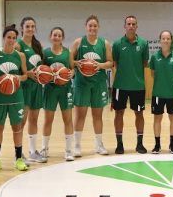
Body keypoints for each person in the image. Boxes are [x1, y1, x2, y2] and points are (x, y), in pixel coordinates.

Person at [0, 25, 30, 172]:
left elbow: (25, 75)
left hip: (16, 97)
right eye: (8, 37)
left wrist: (16, 78)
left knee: (17, 128)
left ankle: (18, 159)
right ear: (4, 38)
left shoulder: (20, 56)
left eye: (13, 38)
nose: (11, 40)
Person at [71, 15, 113, 156]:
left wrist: (99, 65)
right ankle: (77, 146)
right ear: (86, 27)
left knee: (97, 115)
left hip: (99, 83)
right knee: (80, 115)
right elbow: (69, 60)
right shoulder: (78, 42)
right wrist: (78, 63)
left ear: (98, 27)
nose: (92, 28)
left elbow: (110, 63)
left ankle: (99, 145)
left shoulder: (104, 43)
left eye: (95, 26)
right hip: (82, 83)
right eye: (90, 25)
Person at [111, 15, 150, 154]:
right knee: (118, 113)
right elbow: (115, 63)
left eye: (133, 24)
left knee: (139, 114)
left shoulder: (143, 44)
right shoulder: (117, 44)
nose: (131, 26)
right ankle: (119, 144)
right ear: (125, 26)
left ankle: (140, 144)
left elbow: (144, 63)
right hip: (120, 86)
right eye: (129, 24)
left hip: (138, 86)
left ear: (137, 26)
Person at [15, 17, 47, 164]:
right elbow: (15, 68)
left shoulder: (37, 45)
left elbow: (41, 65)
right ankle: (18, 152)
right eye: (27, 26)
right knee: (21, 121)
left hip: (37, 86)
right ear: (22, 28)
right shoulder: (18, 45)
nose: (30, 29)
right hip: (24, 87)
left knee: (34, 119)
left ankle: (33, 151)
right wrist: (28, 73)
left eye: (32, 26)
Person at [41, 27, 76, 161]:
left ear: (62, 38)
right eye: (54, 35)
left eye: (59, 35)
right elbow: (41, 70)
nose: (56, 37)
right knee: (48, 120)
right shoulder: (45, 53)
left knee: (67, 120)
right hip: (50, 89)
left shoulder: (68, 53)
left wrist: (72, 73)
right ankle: (44, 149)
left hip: (65, 89)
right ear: (50, 37)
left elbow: (72, 69)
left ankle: (69, 150)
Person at [149, 30, 173, 154]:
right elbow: (153, 74)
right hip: (158, 94)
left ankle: (172, 145)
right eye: (163, 38)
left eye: (168, 38)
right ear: (160, 40)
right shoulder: (154, 57)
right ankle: (157, 145)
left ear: (171, 40)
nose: (166, 40)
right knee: (157, 119)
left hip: (172, 94)